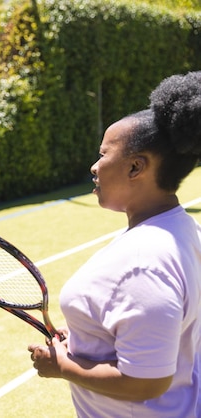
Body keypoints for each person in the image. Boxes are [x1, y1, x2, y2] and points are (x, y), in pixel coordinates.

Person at [28, 70, 201, 417]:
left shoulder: (143, 262)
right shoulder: (183, 228)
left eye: (103, 154)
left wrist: (62, 366)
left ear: (136, 166)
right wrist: (85, 338)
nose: (94, 166)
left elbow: (147, 383)